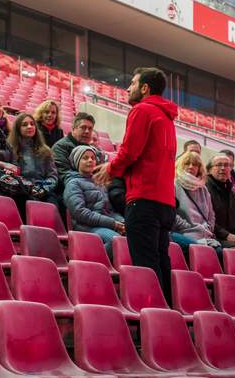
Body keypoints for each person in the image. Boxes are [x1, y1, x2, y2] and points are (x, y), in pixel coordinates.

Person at [93, 67, 177, 304]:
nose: (127, 88)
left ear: (145, 88)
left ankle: (152, 326)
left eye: (132, 83)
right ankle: (166, 320)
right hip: (165, 204)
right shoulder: (167, 118)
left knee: (145, 267)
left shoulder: (142, 110)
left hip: (144, 200)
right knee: (162, 263)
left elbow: (130, 151)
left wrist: (110, 169)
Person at [64, 145, 125, 257]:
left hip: (104, 224)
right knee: (115, 240)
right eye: (85, 158)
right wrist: (112, 223)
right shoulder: (73, 184)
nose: (90, 160)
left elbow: (110, 211)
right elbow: (80, 213)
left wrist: (122, 221)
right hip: (85, 226)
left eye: (92, 158)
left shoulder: (100, 182)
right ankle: (89, 262)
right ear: (77, 162)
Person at [7, 113, 59, 207]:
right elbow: (12, 175)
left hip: (43, 188)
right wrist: (29, 187)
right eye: (24, 125)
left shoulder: (45, 150)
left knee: (53, 204)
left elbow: (53, 176)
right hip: (22, 190)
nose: (30, 127)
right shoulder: (11, 149)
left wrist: (44, 188)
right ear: (18, 129)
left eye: (32, 124)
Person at [173, 151, 219, 251]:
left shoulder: (203, 189)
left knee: (221, 253)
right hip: (183, 232)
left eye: (195, 164)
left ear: (199, 169)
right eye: (187, 163)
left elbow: (211, 215)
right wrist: (189, 226)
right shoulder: (174, 184)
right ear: (180, 165)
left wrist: (208, 227)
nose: (191, 167)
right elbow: (170, 213)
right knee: (202, 251)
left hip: (205, 235)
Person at [52, 112, 97, 184]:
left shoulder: (92, 150)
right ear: (73, 129)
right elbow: (64, 175)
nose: (87, 131)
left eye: (90, 129)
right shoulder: (60, 147)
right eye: (83, 127)